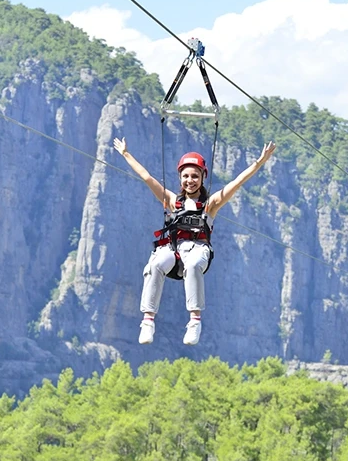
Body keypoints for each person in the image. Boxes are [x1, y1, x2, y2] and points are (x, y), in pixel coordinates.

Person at [113, 137, 276, 346]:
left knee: (192, 264)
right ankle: (148, 320)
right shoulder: (173, 201)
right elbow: (147, 177)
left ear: (202, 178)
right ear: (180, 178)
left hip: (198, 250)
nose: (190, 180)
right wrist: (126, 153)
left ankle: (195, 321)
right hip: (174, 249)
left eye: (195, 176)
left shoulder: (211, 204)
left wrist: (260, 162)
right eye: (186, 176)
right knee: (154, 264)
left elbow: (237, 182)